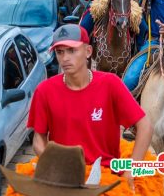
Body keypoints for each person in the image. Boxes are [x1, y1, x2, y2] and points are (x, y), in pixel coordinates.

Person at [27, 24, 153, 191]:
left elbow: (145, 126)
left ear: (88, 51)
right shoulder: (44, 91)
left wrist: (131, 171)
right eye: (60, 52)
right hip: (64, 178)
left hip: (105, 175)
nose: (65, 58)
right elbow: (38, 138)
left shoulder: (110, 84)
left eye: (72, 50)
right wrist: (52, 165)